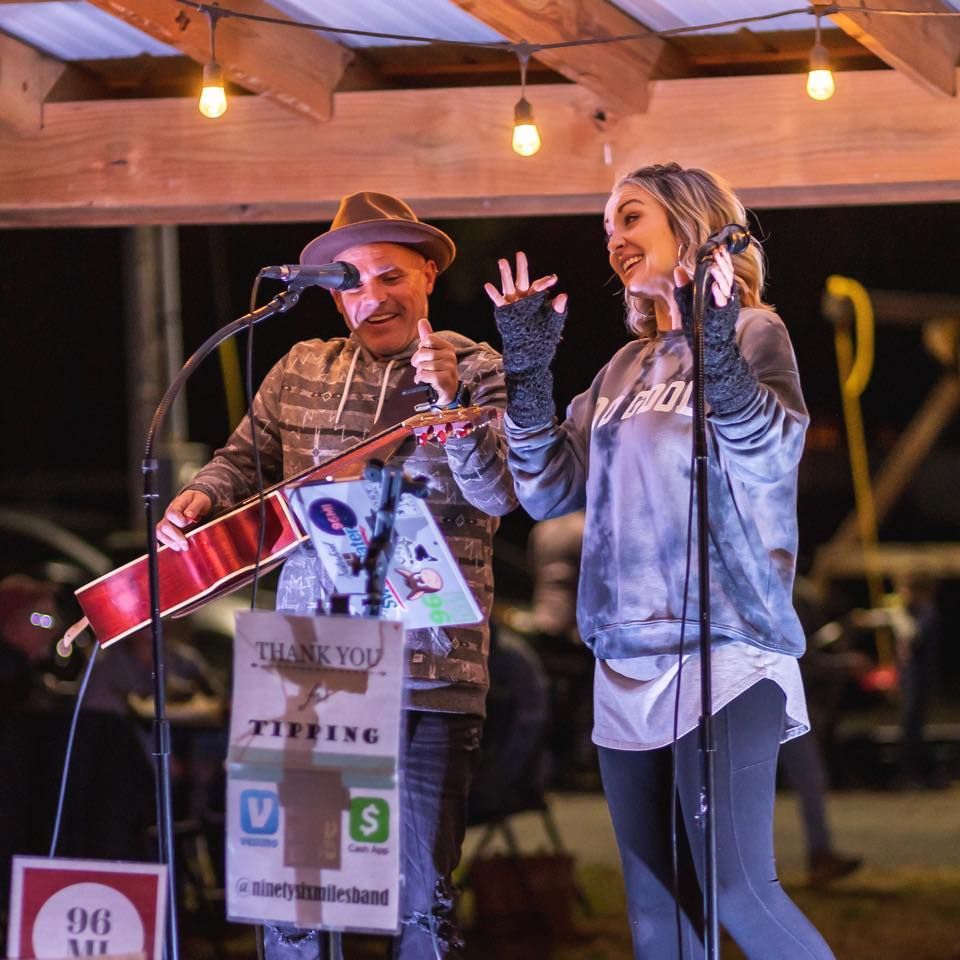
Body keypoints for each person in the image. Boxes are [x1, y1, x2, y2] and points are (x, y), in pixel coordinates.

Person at [486, 162, 834, 958]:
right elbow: (545, 492)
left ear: (691, 225)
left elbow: (769, 447)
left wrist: (712, 346)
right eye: (607, 225)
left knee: (738, 891)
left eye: (630, 217)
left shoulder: (755, 333)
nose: (613, 239)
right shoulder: (619, 370)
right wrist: (530, 376)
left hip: (725, 646)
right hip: (626, 658)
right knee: (658, 920)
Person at [156, 192, 517, 959]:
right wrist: (200, 496)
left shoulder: (479, 365)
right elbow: (241, 459)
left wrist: (449, 396)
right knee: (294, 905)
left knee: (421, 906)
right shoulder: (299, 365)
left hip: (432, 667)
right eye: (350, 281)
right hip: (307, 667)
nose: (371, 295)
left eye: (390, 275)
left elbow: (498, 492)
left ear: (426, 273)